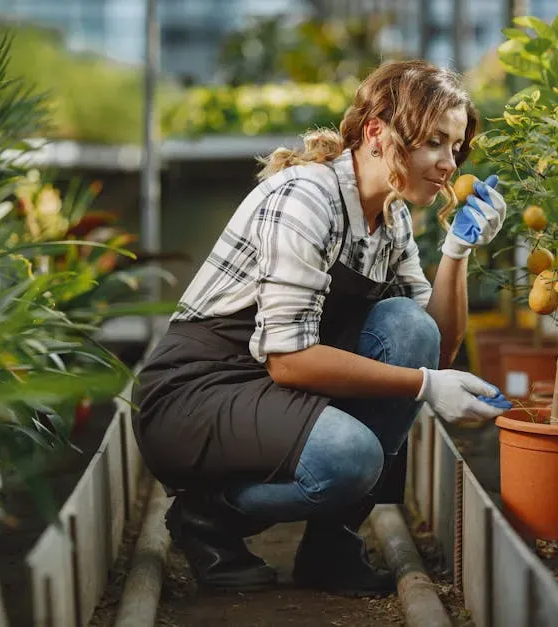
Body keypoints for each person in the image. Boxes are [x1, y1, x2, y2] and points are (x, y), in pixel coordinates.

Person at [132, 59, 513, 597]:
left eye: (456, 147)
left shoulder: (393, 218)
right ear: (378, 131)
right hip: (198, 393)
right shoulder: (306, 198)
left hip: (272, 389)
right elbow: (289, 360)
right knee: (351, 458)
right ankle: (207, 518)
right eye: (434, 142)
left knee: (408, 327)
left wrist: (457, 251)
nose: (449, 162)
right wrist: (426, 386)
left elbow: (436, 347)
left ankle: (330, 547)